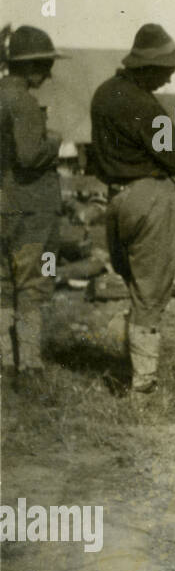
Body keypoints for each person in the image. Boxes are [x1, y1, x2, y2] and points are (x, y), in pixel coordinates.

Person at [91, 23, 175, 393]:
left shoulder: (104, 94)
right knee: (150, 294)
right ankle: (144, 385)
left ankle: (130, 365)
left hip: (116, 201)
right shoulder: (146, 105)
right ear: (147, 67)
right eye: (166, 70)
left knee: (135, 285)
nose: (167, 79)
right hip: (151, 199)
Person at [0, 25, 67, 376]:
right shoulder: (23, 101)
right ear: (30, 67)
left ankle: (4, 359)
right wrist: (53, 142)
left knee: (2, 283)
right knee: (33, 283)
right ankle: (29, 362)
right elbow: (28, 156)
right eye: (44, 66)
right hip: (30, 209)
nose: (48, 74)